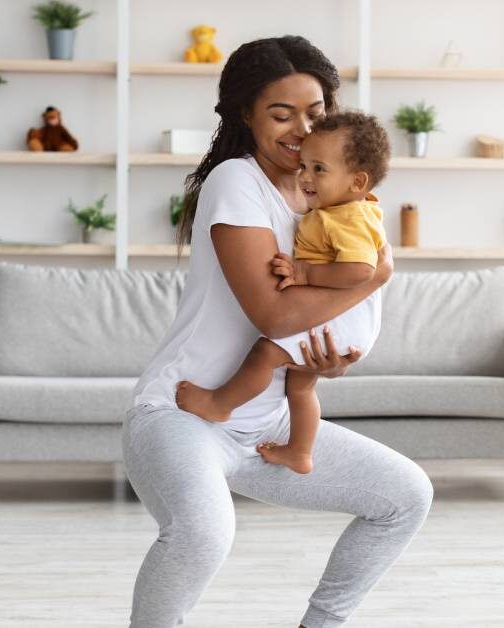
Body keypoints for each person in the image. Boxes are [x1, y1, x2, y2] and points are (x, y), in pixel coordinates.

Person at [124, 35, 433, 628]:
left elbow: (313, 320)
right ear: (246, 115)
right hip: (182, 415)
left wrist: (327, 364)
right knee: (202, 534)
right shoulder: (236, 182)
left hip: (269, 423)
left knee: (405, 496)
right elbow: (274, 315)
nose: (299, 128)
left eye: (314, 113)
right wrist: (376, 277)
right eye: (280, 112)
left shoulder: (329, 194)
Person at [174, 110, 392, 476]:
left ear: (357, 182)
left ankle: (219, 403)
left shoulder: (349, 217)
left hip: (341, 317)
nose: (304, 177)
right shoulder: (345, 210)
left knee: (265, 354)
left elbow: (362, 271)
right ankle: (300, 451)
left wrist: (304, 272)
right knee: (302, 386)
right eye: (304, 165)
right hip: (346, 320)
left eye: (318, 169)